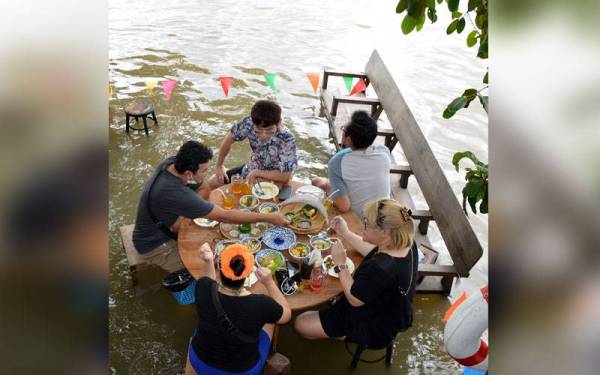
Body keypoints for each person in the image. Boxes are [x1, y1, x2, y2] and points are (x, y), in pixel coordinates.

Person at [132, 141, 289, 272]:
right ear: (188, 173)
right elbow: (224, 216)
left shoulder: (172, 163)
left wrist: (192, 208)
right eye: (204, 170)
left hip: (165, 223)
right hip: (155, 245)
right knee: (211, 267)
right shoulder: (174, 192)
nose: (207, 173)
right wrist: (269, 217)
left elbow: (205, 187)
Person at [294, 198, 418, 348]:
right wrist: (344, 233)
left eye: (366, 223)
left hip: (374, 324)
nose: (363, 226)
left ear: (384, 232)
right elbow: (372, 251)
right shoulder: (405, 241)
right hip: (385, 308)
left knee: (300, 323)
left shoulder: (381, 268)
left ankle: (342, 333)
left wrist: (341, 264)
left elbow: (354, 299)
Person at [185, 243, 291, 374]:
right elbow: (286, 316)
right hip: (241, 370)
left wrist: (208, 261)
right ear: (247, 272)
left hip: (199, 361)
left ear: (220, 267)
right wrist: (269, 282)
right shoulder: (261, 304)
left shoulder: (203, 287)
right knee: (271, 321)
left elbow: (207, 279)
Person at [312, 110, 391, 218]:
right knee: (324, 183)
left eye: (344, 130)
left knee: (317, 182)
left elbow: (343, 206)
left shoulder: (337, 162)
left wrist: (325, 184)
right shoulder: (384, 152)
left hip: (363, 223)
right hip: (386, 215)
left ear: (348, 139)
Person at [207, 100, 297, 188]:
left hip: (277, 177)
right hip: (253, 167)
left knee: (262, 198)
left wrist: (257, 173)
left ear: (278, 124)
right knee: (213, 182)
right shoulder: (249, 123)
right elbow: (229, 139)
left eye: (269, 131)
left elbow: (285, 176)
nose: (263, 135)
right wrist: (219, 165)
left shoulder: (287, 139)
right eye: (259, 130)